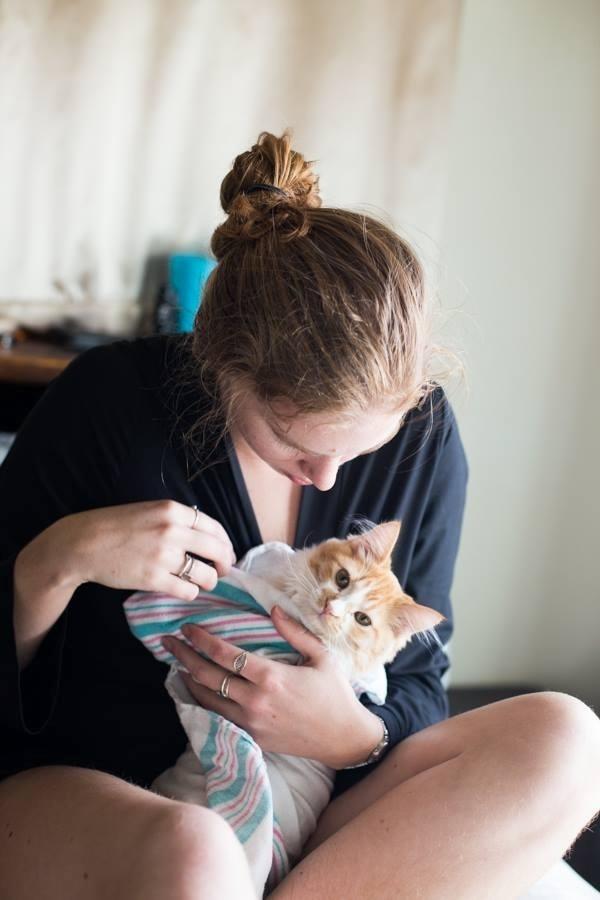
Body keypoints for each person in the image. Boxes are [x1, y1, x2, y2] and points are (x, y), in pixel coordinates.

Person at [0, 130, 599, 900]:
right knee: (199, 853)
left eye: (359, 451)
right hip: (103, 794)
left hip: (306, 792)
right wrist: (56, 560)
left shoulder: (422, 437)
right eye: (289, 439)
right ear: (219, 366)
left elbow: (418, 678)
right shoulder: (108, 404)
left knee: (568, 742)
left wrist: (348, 734)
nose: (328, 480)